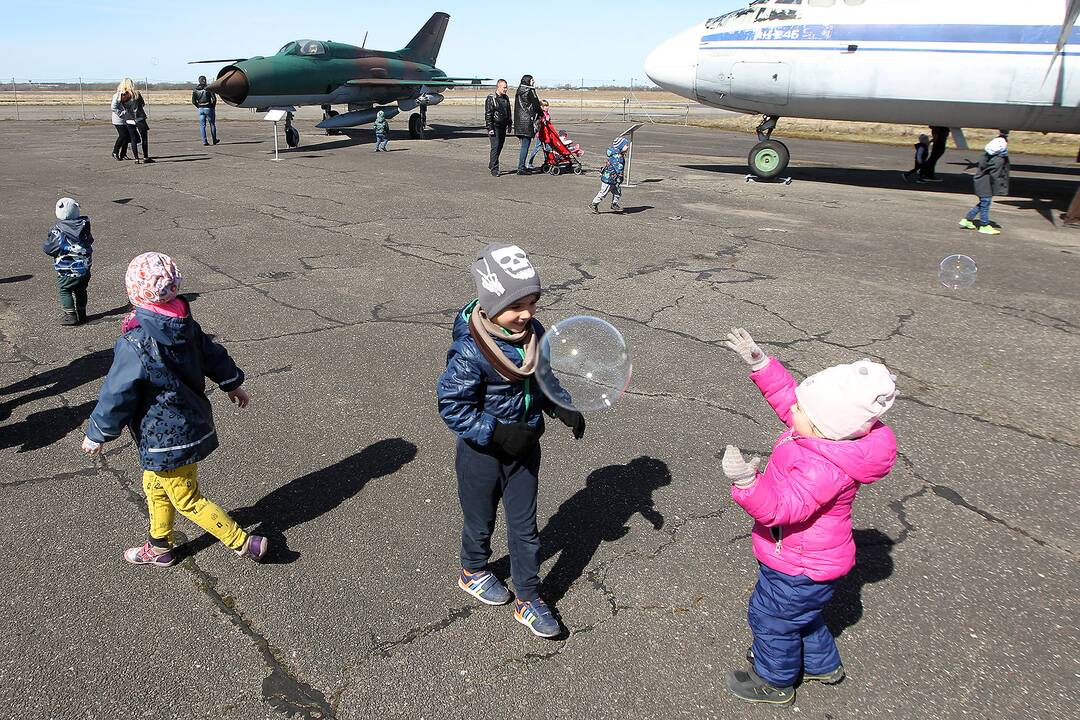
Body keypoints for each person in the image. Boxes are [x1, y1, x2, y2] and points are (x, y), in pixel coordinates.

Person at [720, 328, 897, 706]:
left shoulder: (824, 468)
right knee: (802, 616)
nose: (792, 411)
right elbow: (791, 400)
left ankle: (774, 680)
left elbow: (781, 508)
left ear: (823, 427)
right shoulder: (831, 435)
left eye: (801, 410)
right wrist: (761, 364)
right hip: (811, 562)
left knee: (770, 618)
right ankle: (821, 664)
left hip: (796, 565)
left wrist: (747, 482)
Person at [437, 243, 586, 639]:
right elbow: (452, 406)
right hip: (482, 453)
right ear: (489, 304)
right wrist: (497, 431)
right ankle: (473, 570)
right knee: (480, 519)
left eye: (533, 302)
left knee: (525, 527)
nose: (527, 313)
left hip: (524, 450)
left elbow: (543, 377)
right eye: (516, 304)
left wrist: (560, 405)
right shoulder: (471, 351)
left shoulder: (535, 335)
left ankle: (528, 598)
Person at [81, 252, 267, 567]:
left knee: (187, 499)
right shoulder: (183, 322)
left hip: (163, 436)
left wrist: (98, 432)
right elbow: (213, 354)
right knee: (154, 484)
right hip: (190, 423)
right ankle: (159, 546)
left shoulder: (136, 341)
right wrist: (231, 382)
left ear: (133, 293)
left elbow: (117, 392)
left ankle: (243, 542)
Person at [43, 198, 94, 326]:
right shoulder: (84, 225)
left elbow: (51, 248)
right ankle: (82, 313)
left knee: (65, 289)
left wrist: (47, 246)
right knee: (81, 290)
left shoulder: (58, 229)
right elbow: (90, 241)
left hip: (67, 269)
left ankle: (70, 315)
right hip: (84, 267)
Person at [959, 136, 1009, 235]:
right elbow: (996, 176)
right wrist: (1000, 188)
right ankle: (984, 225)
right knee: (985, 204)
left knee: (983, 203)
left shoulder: (986, 155)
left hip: (980, 182)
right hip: (986, 185)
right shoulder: (998, 159)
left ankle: (967, 220)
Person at [590, 137, 630, 214]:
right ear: (620, 146)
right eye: (626, 145)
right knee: (603, 193)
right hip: (609, 178)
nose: (627, 146)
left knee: (617, 192)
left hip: (613, 178)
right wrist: (620, 177)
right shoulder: (618, 157)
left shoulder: (617, 154)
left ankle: (614, 204)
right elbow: (619, 169)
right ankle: (594, 204)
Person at [512, 75, 542, 175]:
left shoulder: (519, 90)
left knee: (524, 145)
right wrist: (542, 115)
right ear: (528, 81)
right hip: (528, 121)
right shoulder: (530, 91)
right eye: (532, 80)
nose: (534, 81)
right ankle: (521, 167)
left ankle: (522, 166)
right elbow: (536, 105)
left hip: (520, 122)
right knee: (525, 146)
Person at [485, 79, 513, 176]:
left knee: (500, 146)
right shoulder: (491, 98)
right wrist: (490, 128)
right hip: (494, 126)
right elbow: (488, 114)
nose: (506, 89)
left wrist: (510, 124)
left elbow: (508, 112)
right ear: (498, 87)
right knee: (495, 146)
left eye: (506, 87)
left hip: (503, 126)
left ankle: (492, 163)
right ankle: (494, 169)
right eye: (504, 87)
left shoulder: (506, 98)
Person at [110, 78, 139, 161]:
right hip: (118, 119)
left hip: (127, 119)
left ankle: (123, 153)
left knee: (127, 136)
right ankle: (115, 152)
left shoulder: (130, 95)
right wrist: (122, 113)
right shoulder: (118, 95)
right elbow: (113, 107)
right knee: (123, 135)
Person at [192, 75, 219, 146]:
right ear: (205, 80)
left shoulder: (195, 90)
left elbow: (193, 101)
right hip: (209, 108)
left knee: (202, 126)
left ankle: (204, 141)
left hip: (201, 109)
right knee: (212, 124)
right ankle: (214, 140)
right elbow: (214, 99)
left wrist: (199, 106)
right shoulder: (209, 89)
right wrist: (212, 107)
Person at [130, 88, 154, 163]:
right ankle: (145, 157)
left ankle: (136, 159)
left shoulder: (123, 95)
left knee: (133, 138)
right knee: (144, 138)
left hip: (129, 118)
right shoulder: (136, 93)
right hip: (140, 117)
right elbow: (142, 104)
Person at [527, 99, 551, 168]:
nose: (547, 107)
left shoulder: (547, 114)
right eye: (545, 106)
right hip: (540, 135)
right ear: (541, 107)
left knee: (548, 148)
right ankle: (530, 163)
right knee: (536, 148)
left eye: (547, 106)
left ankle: (548, 161)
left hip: (547, 135)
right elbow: (537, 123)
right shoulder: (540, 114)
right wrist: (543, 120)